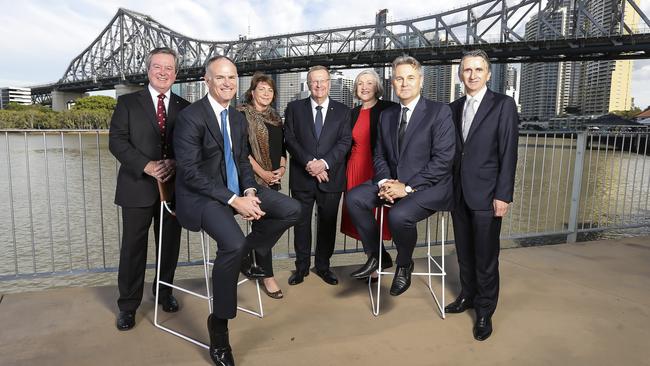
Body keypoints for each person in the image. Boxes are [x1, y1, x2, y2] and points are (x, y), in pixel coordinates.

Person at [173, 56, 300, 366]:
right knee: (232, 243)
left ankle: (248, 254)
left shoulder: (236, 117)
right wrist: (234, 200)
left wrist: (250, 191)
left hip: (235, 191)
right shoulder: (191, 117)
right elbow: (190, 172)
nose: (228, 82)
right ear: (207, 81)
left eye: (232, 77)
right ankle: (219, 327)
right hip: (201, 197)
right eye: (220, 77)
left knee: (291, 209)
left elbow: (242, 161)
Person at [345, 55, 455, 296]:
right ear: (393, 83)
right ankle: (378, 256)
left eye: (410, 78)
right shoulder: (388, 115)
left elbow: (443, 160)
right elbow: (379, 155)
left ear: (421, 81)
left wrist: (406, 187)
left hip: (429, 186)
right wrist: (385, 181)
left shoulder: (440, 112)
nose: (404, 83)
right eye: (399, 78)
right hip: (392, 181)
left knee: (399, 215)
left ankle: (404, 264)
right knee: (354, 198)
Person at [109, 47, 190, 331]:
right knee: (133, 248)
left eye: (169, 68)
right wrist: (147, 166)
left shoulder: (184, 105)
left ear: (176, 73)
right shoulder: (128, 102)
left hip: (172, 189)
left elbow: (190, 145)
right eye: (158, 66)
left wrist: (175, 163)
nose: (164, 72)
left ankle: (164, 292)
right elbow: (117, 142)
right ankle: (128, 306)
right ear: (148, 70)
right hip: (136, 186)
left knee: (169, 246)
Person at [445, 49, 518, 341]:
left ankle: (485, 310)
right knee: (464, 252)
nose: (472, 75)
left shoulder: (503, 105)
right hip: (459, 193)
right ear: (460, 74)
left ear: (488, 74)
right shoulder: (453, 107)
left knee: (486, 257)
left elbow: (508, 153)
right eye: (467, 70)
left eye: (478, 70)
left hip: (488, 195)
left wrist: (504, 195)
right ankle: (467, 295)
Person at [284, 65, 352, 286]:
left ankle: (323, 266)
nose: (319, 85)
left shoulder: (343, 111)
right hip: (302, 178)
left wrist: (323, 164)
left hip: (331, 178)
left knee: (327, 224)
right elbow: (290, 140)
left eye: (323, 81)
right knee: (301, 223)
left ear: (329, 83)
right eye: (314, 81)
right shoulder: (294, 108)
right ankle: (301, 267)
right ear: (308, 83)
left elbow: (345, 143)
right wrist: (309, 163)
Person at [340, 69, 397, 281]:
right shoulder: (352, 113)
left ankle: (382, 259)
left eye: (369, 83)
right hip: (355, 167)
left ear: (377, 87)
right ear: (355, 88)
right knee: (361, 219)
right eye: (360, 83)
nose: (364, 87)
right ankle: (375, 260)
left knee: (379, 216)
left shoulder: (389, 109)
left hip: (377, 169)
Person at [236, 72, 287, 299]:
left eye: (270, 90)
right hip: (252, 181)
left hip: (273, 179)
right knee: (264, 225)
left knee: (266, 226)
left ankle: (247, 257)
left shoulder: (275, 118)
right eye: (261, 89)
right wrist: (264, 174)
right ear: (252, 92)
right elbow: (242, 153)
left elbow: (282, 149)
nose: (266, 93)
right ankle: (267, 276)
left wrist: (282, 169)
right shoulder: (241, 115)